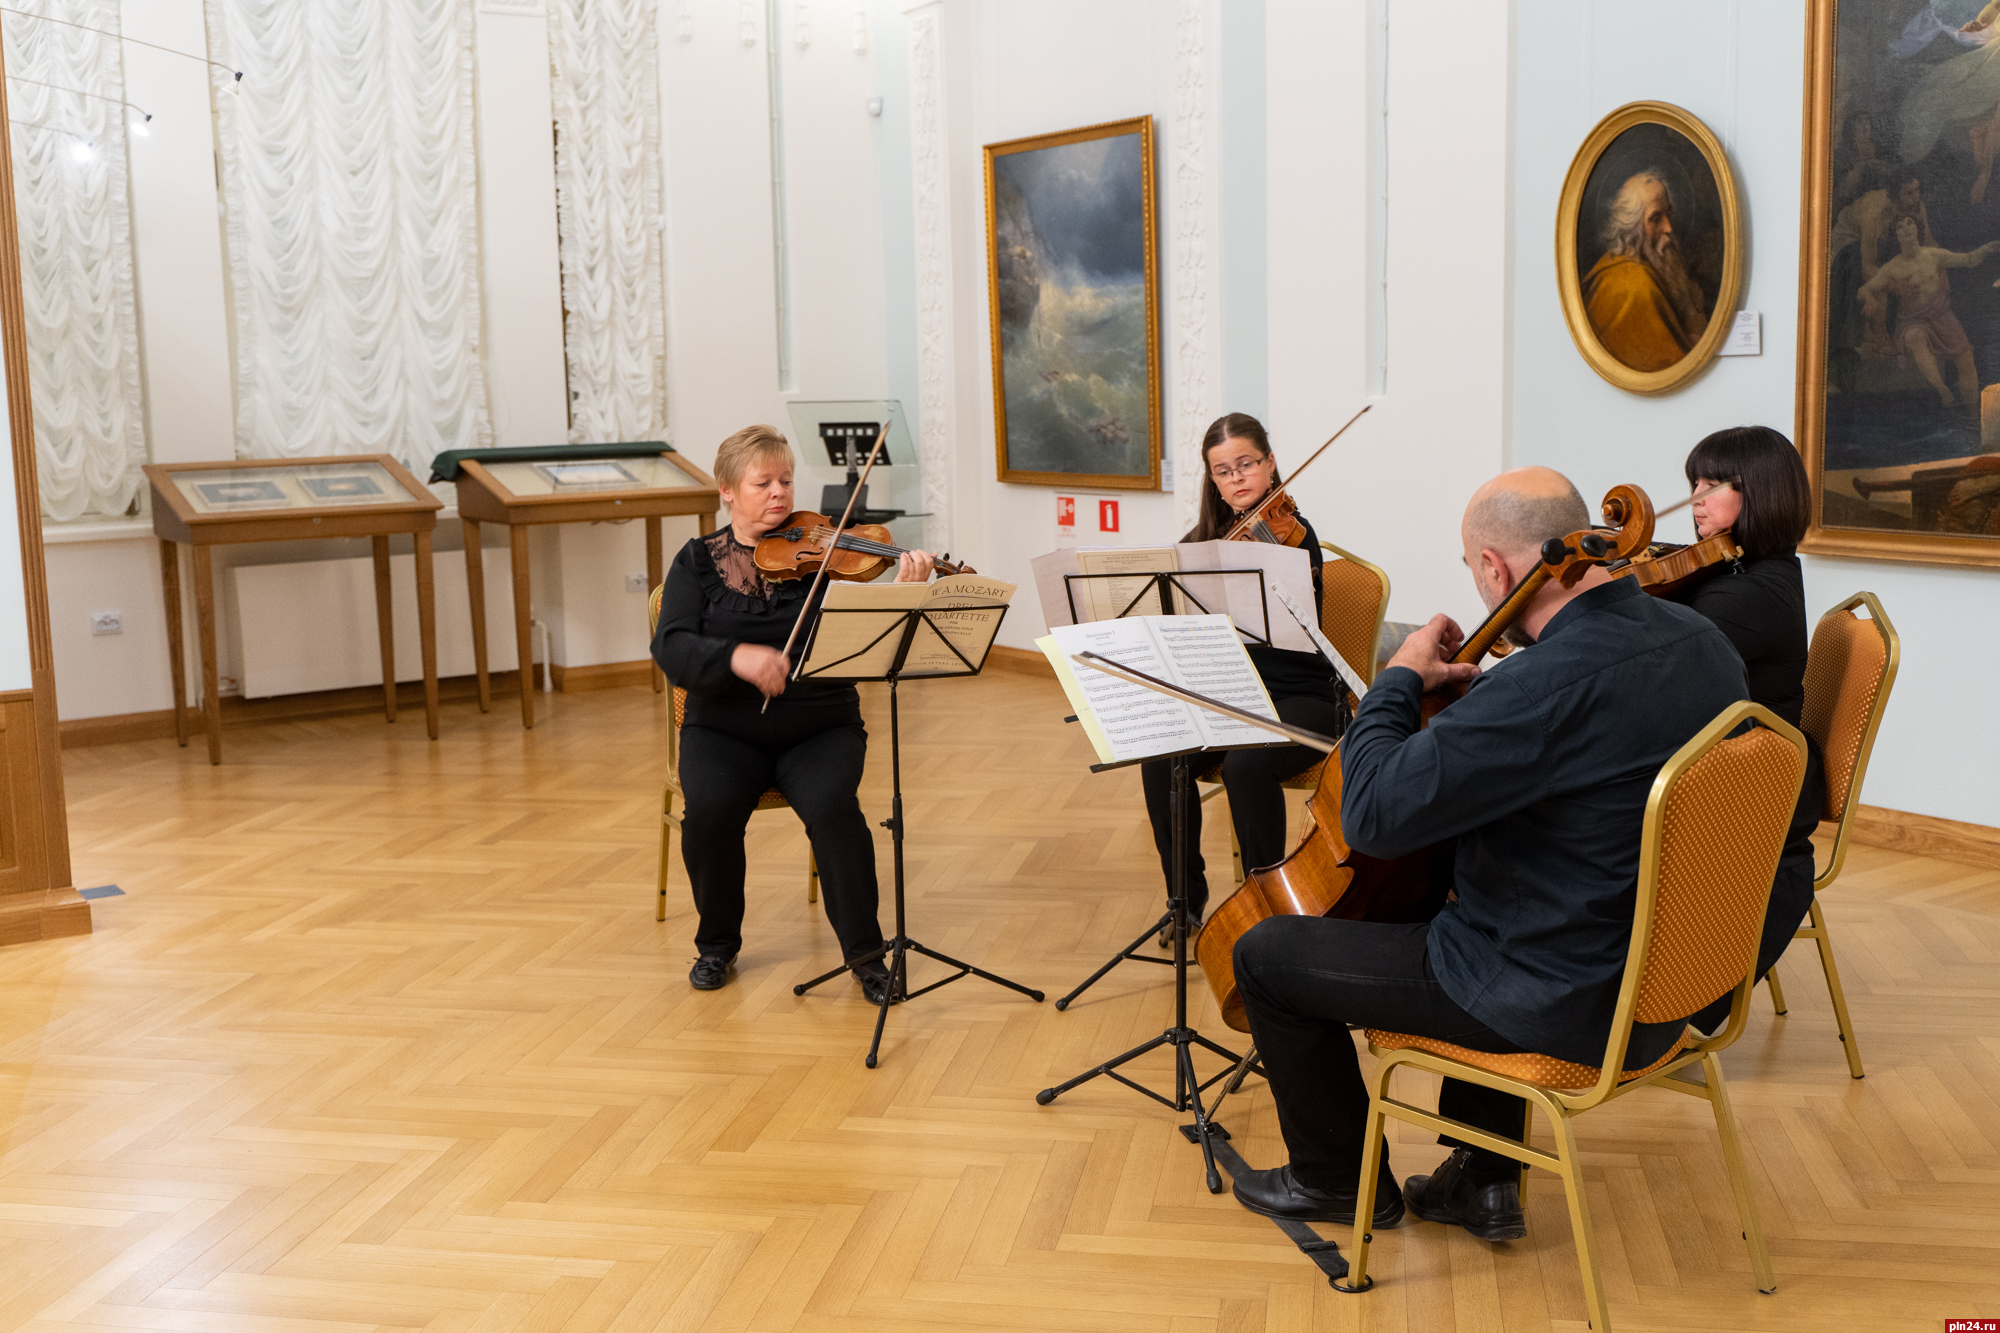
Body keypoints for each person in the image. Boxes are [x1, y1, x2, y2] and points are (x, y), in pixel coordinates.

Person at [1226, 467, 1747, 1241]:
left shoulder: (1536, 687)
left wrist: (1396, 683)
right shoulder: (1706, 644)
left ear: (1496, 568)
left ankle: (1333, 1179)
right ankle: (1483, 1178)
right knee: (1484, 888)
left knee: (1265, 952)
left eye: (1476, 571)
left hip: (1557, 1000)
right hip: (1674, 987)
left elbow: (1370, 816)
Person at [650, 424, 936, 1003]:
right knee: (709, 811)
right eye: (763, 482)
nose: (780, 493)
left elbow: (872, 638)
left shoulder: (828, 554)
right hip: (724, 729)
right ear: (727, 490)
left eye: (786, 480)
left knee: (835, 811)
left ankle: (866, 958)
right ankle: (717, 945)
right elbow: (672, 647)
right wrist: (736, 656)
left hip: (821, 724)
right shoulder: (697, 562)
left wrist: (905, 592)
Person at [1138, 413, 1350, 939]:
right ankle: (1184, 901)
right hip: (1234, 692)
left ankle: (1268, 908)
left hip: (1303, 696)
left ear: (1271, 463)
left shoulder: (1293, 538)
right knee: (1163, 755)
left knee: (1246, 768)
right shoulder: (1200, 546)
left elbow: (1295, 629)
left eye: (1247, 464)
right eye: (1223, 470)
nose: (1237, 479)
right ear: (1212, 479)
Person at [1663, 428, 1826, 1034]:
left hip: (1748, 790)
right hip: (1741, 766)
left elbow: (1643, 656)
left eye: (1712, 485)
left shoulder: (1752, 596)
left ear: (1758, 493)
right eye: (1694, 485)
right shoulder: (1749, 572)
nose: (1696, 500)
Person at [1857, 217, 1998, 407]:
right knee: (1915, 336)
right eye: (1900, 226)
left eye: (1909, 223)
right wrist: (1870, 298)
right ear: (1896, 234)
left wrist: (1985, 249)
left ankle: (1972, 414)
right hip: (1912, 320)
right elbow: (1863, 290)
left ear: (1917, 228)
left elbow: (1968, 259)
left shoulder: (1933, 255)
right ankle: (1943, 391)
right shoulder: (1891, 267)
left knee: (1966, 358)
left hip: (1941, 316)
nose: (1906, 229)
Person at [1582, 170, 1712, 371]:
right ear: (1631, 226)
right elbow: (1676, 367)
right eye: (1656, 218)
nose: (1668, 228)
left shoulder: (1647, 267)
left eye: (1668, 214)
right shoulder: (1634, 285)